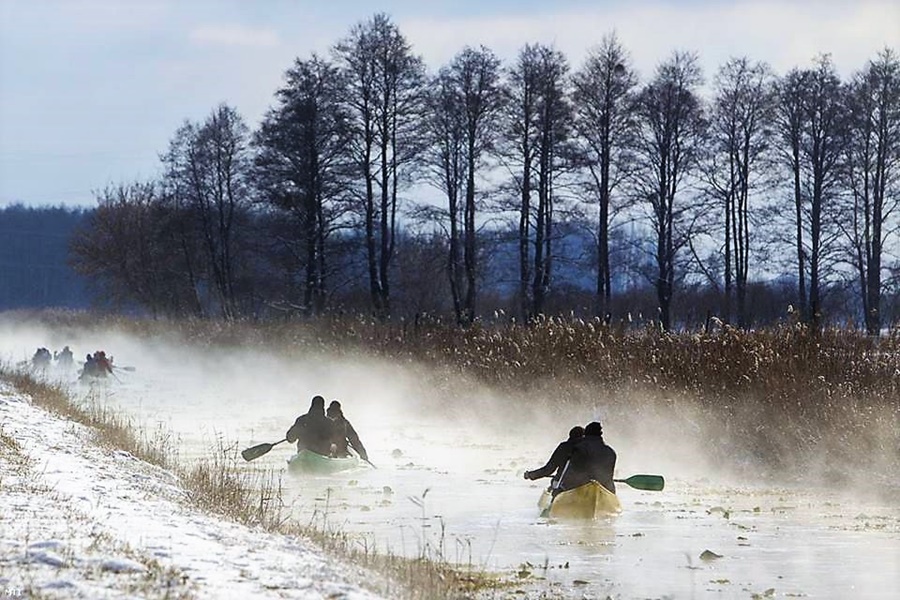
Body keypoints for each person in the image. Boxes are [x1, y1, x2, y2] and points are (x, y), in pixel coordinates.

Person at [523, 426, 584, 491]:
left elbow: (548, 469)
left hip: (562, 484)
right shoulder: (587, 447)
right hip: (584, 484)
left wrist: (530, 475)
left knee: (553, 487)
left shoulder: (564, 447)